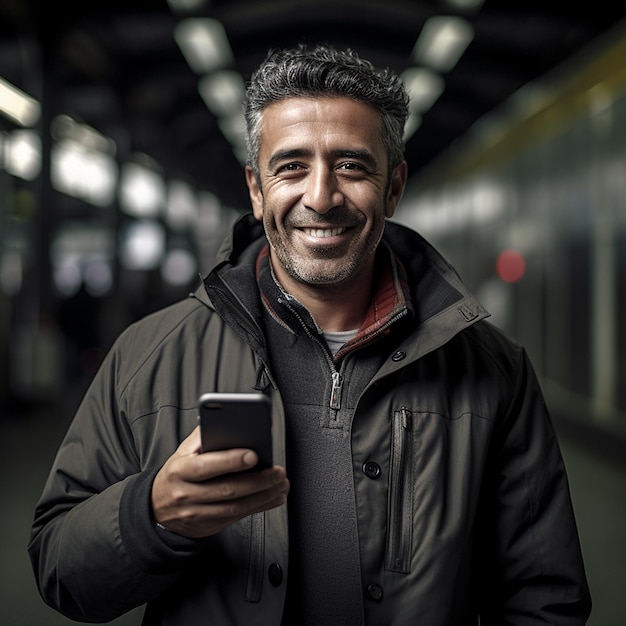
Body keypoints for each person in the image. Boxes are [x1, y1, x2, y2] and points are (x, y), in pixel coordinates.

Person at [29, 44, 591, 625]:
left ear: (394, 187)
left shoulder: (491, 370)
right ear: (255, 187)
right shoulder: (148, 355)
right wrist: (151, 517)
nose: (320, 198)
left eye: (351, 165)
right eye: (291, 166)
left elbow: (542, 598)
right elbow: (59, 569)